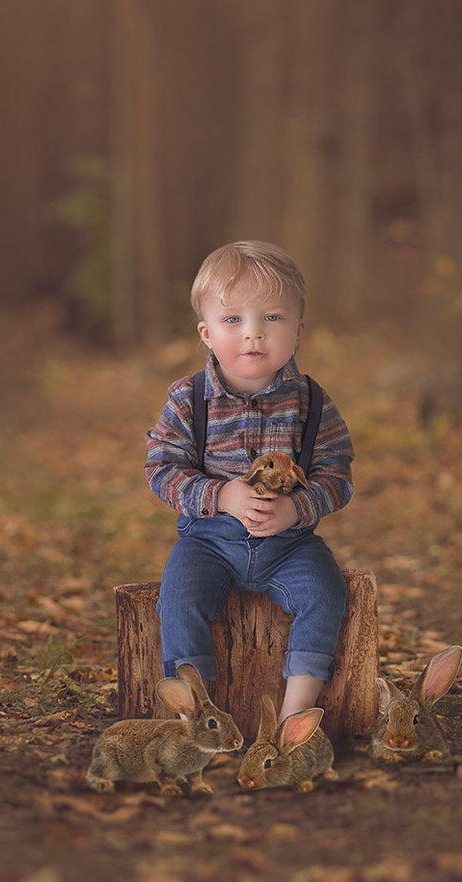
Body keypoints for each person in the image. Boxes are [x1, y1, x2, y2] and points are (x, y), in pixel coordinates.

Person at [144, 241, 354, 720]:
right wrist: (220, 495)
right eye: (233, 320)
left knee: (326, 592)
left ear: (298, 331)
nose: (254, 334)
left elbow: (337, 473)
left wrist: (296, 509)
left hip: (290, 544)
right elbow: (161, 467)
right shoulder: (188, 398)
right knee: (178, 598)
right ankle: (195, 713)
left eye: (273, 318)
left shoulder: (312, 403)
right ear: (206, 332)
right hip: (208, 542)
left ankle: (295, 715)